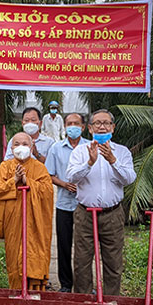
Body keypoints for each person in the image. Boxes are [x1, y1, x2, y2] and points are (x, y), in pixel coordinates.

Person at [67, 109, 136, 296]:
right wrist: (89, 163)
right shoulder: (80, 152)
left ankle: (111, 300)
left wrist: (113, 161)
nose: (102, 126)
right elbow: (71, 176)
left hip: (112, 214)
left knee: (113, 261)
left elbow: (129, 178)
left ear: (113, 128)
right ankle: (83, 300)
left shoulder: (122, 152)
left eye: (106, 123)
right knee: (82, 261)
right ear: (90, 128)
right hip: (85, 213)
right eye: (97, 123)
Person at [0, 133, 54, 291]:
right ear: (11, 148)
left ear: (32, 147)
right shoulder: (5, 166)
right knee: (14, 258)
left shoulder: (39, 167)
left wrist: (28, 181)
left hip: (35, 222)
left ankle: (35, 292)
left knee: (35, 255)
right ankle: (16, 292)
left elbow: (47, 191)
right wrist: (14, 180)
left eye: (25, 144)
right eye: (17, 144)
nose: (21, 147)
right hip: (13, 220)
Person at [45, 112, 89, 293]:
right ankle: (65, 283)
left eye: (76, 123)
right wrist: (64, 184)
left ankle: (83, 285)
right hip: (63, 203)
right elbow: (50, 174)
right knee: (64, 245)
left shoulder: (90, 147)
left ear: (83, 127)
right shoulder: (56, 148)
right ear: (65, 127)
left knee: (84, 246)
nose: (73, 126)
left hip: (85, 204)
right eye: (69, 123)